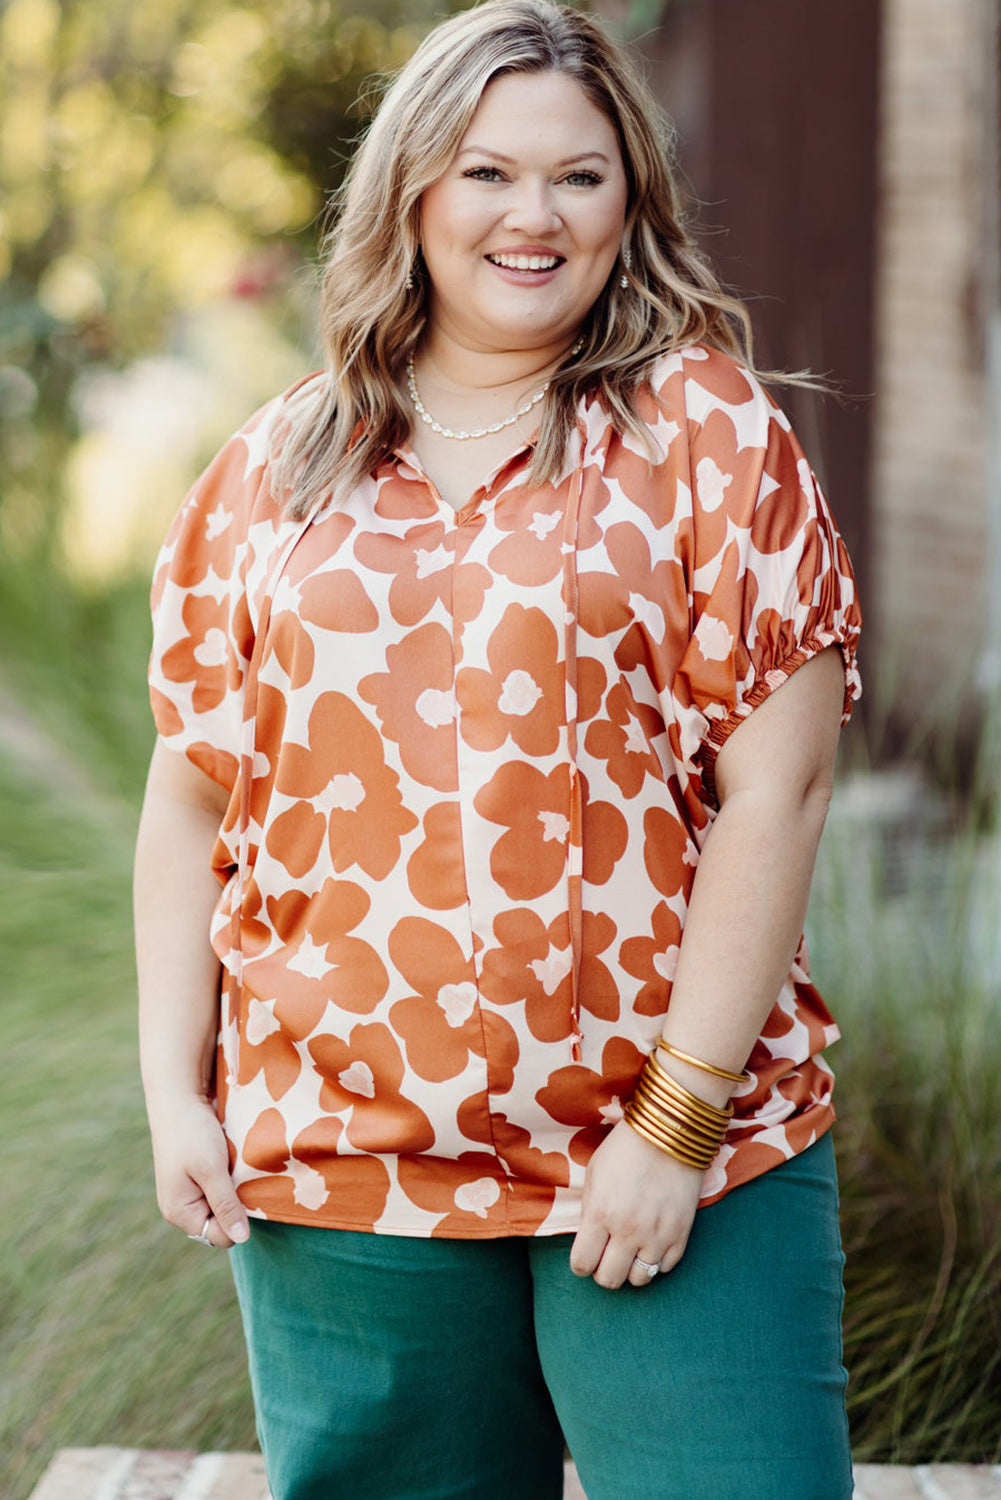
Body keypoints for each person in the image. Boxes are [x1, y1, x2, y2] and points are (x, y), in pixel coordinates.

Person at [134, 2, 862, 1497]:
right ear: (412, 189)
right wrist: (176, 1091)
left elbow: (775, 792)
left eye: (578, 177)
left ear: (630, 202)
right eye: (485, 172)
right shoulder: (277, 464)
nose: (532, 215)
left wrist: (672, 1126)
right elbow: (196, 789)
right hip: (343, 1162)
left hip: (667, 1152)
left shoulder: (702, 434)